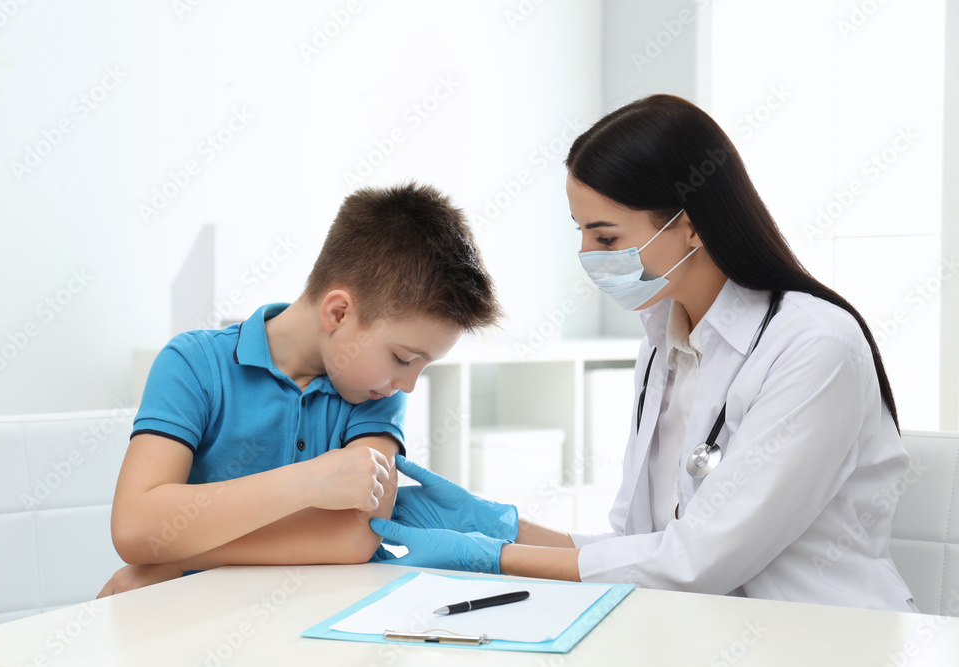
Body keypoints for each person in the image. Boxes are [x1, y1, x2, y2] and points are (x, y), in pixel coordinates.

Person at [369, 95, 917, 612]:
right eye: (580, 232)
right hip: (699, 631)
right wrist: (500, 526)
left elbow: (696, 563)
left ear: (692, 226)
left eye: (605, 238)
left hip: (832, 638)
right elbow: (640, 550)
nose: (585, 255)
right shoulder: (664, 342)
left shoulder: (812, 346)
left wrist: (495, 557)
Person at [98, 182, 501, 597]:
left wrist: (178, 557)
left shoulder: (378, 392)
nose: (409, 385)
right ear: (338, 312)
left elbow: (354, 537)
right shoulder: (193, 364)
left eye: (423, 365)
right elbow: (135, 527)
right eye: (402, 357)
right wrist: (309, 482)